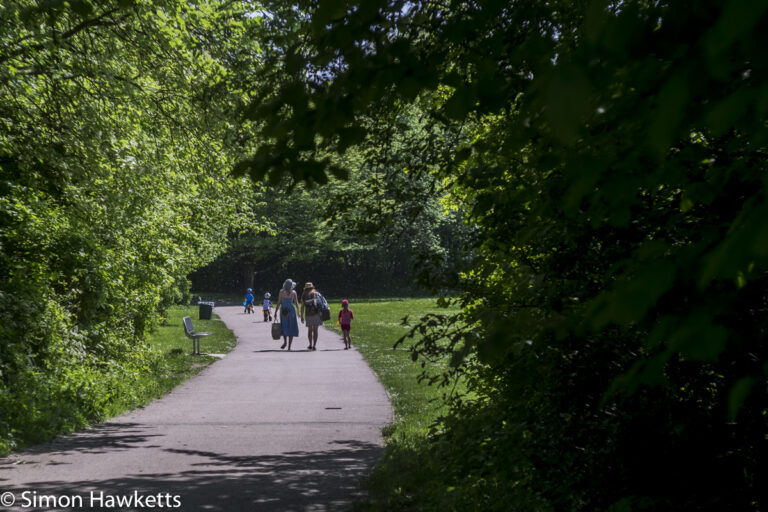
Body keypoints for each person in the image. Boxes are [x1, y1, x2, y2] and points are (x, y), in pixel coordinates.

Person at [275, 279, 300, 350]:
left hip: (283, 311)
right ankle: (289, 347)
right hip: (291, 311)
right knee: (291, 326)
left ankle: (285, 342)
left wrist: (276, 311)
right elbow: (296, 303)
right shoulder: (294, 292)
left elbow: (279, 302)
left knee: (284, 325)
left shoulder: (281, 292)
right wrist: (299, 312)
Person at [300, 282, 324, 351]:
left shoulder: (304, 294)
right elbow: (320, 303)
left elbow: (302, 306)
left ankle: (310, 344)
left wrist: (301, 316)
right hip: (316, 313)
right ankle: (314, 345)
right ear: (312, 287)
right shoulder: (316, 293)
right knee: (315, 330)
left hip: (308, 314)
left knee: (310, 330)